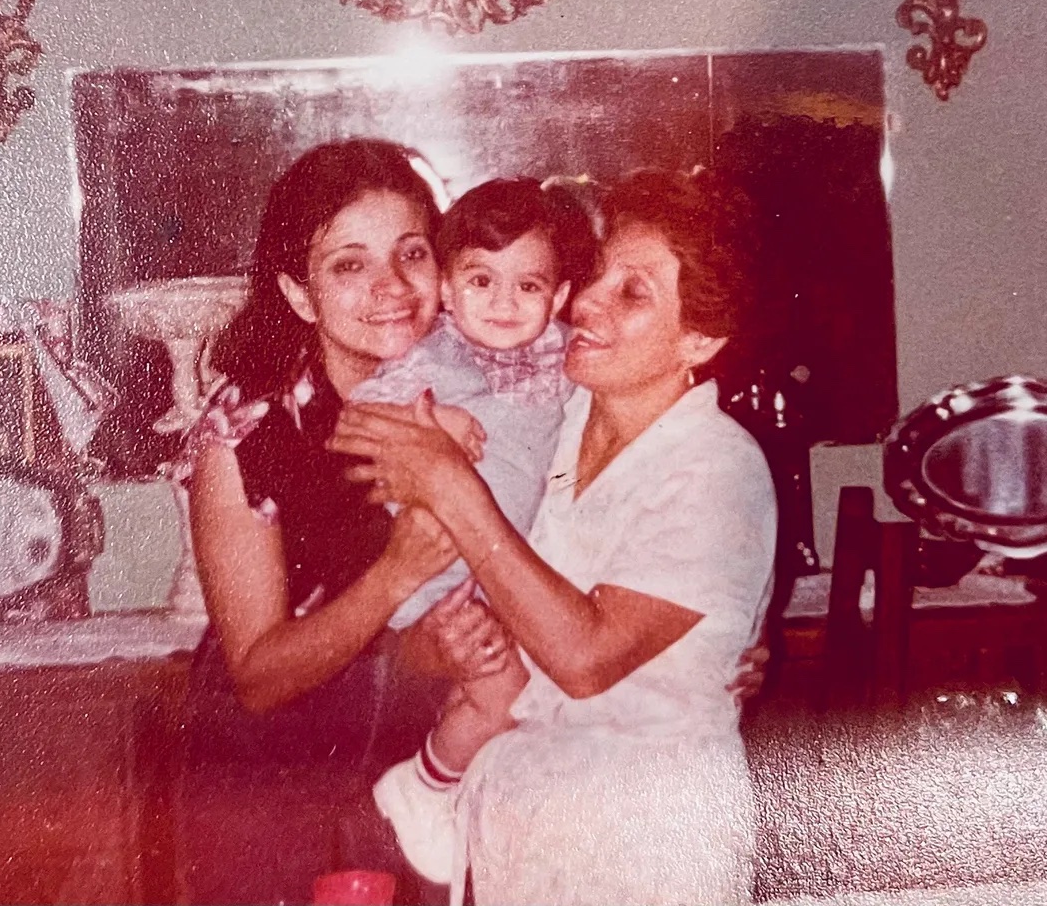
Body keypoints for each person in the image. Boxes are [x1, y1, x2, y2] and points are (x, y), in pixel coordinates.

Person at [331, 166, 778, 904]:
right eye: (597, 276)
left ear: (698, 339)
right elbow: (365, 434)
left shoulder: (718, 467)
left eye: (633, 293)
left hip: (647, 846)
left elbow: (582, 660)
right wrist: (434, 645)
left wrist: (450, 482)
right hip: (517, 830)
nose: (589, 302)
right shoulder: (557, 413)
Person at [174, 138, 476, 906]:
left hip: (438, 776)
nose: (392, 286)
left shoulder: (489, 391)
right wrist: (397, 575)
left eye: (412, 253)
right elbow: (259, 676)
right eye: (350, 264)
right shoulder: (249, 431)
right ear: (300, 294)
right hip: (280, 793)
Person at [345, 178, 596, 875]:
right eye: (482, 281)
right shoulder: (432, 359)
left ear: (561, 295)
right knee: (503, 693)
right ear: (448, 291)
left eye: (528, 285)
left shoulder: (569, 357)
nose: (505, 303)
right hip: (440, 569)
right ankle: (425, 785)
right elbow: (356, 421)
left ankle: (464, 801)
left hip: (511, 567)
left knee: (504, 695)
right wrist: (431, 420)